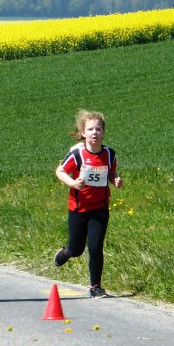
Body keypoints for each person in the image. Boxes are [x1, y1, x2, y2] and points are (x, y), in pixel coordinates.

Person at [54, 110, 122, 298]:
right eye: (90, 129)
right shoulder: (78, 154)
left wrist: (115, 179)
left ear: (103, 132)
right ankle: (67, 251)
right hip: (79, 209)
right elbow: (60, 171)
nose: (95, 133)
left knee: (95, 247)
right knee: (77, 249)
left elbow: (111, 172)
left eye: (98, 129)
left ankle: (95, 287)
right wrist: (73, 183)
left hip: (99, 209)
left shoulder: (109, 154)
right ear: (83, 133)